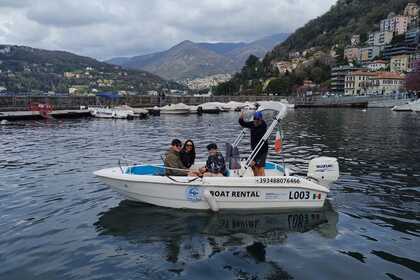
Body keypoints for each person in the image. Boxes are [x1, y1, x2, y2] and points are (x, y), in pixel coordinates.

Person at [239, 111, 268, 176]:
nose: (256, 122)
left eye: (258, 120)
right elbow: (243, 124)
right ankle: (256, 178)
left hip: (262, 149)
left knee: (260, 166)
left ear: (261, 120)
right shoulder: (252, 123)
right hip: (255, 149)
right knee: (252, 165)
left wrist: (255, 159)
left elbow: (261, 145)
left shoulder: (263, 127)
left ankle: (262, 180)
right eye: (255, 120)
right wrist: (241, 117)